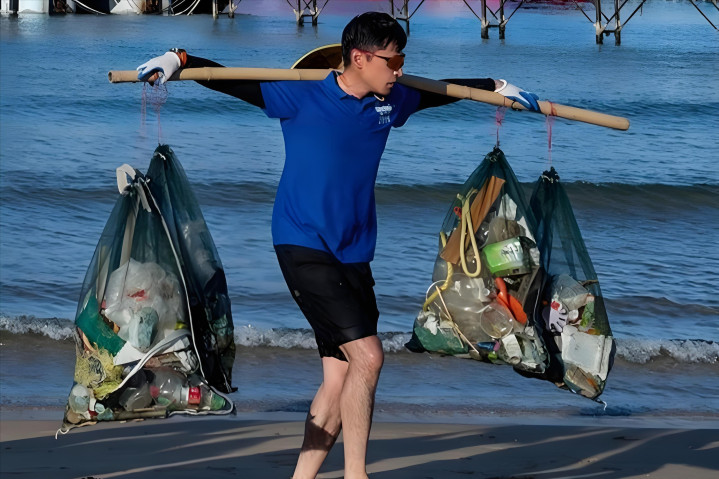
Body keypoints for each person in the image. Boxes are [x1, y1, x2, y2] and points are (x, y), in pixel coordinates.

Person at [137, 12, 539, 479]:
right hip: (302, 243)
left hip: (355, 251)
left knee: (340, 376)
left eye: (403, 60)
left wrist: (496, 87)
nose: (401, 70)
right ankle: (356, 474)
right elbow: (232, 80)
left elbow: (443, 91)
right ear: (360, 58)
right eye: (393, 60)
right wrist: (181, 60)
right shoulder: (300, 93)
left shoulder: (393, 101)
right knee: (369, 356)